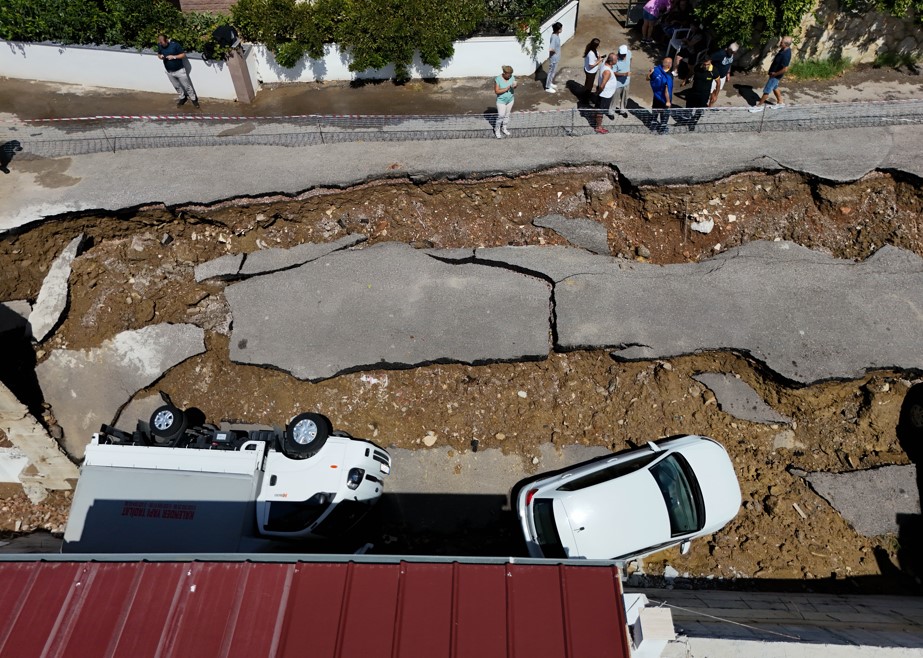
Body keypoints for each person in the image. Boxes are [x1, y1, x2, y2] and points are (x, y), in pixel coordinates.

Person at [750, 36, 793, 111]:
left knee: (767, 90)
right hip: (774, 74)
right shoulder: (784, 50)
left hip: (775, 76)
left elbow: (785, 69)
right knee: (774, 87)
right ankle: (780, 102)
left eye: (782, 42)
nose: (780, 42)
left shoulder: (786, 54)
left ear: (786, 44)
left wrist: (775, 74)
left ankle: (759, 106)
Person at [156, 34, 199, 108]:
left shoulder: (175, 45)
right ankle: (182, 97)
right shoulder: (160, 45)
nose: (161, 44)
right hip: (169, 71)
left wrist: (174, 57)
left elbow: (183, 55)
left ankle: (194, 99)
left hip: (179, 70)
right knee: (176, 86)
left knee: (187, 86)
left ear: (166, 40)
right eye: (160, 43)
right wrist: (160, 56)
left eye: (162, 43)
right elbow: (159, 54)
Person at [683, 59, 716, 130]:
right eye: (704, 64)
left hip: (704, 95)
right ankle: (687, 118)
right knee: (689, 106)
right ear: (702, 63)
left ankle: (693, 123)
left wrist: (715, 94)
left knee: (699, 110)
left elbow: (718, 83)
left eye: (708, 64)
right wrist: (685, 80)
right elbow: (691, 72)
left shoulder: (714, 71)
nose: (706, 66)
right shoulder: (697, 67)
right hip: (694, 92)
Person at [647, 57, 674, 133]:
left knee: (655, 112)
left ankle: (653, 126)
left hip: (656, 97)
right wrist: (668, 101)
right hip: (664, 99)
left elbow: (647, 78)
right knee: (664, 114)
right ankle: (662, 129)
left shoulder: (655, 70)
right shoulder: (669, 76)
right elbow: (666, 90)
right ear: (669, 65)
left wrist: (650, 73)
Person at [595, 54, 618, 134]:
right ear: (611, 62)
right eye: (616, 60)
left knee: (600, 110)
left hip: (606, 94)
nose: (617, 61)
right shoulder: (607, 72)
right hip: (604, 95)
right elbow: (602, 85)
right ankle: (598, 127)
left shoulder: (605, 62)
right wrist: (597, 93)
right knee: (600, 111)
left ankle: (597, 121)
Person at [494, 65, 517, 138]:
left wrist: (515, 86)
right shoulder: (498, 79)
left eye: (510, 74)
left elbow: (514, 86)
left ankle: (504, 128)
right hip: (501, 101)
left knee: (507, 115)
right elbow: (497, 91)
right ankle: (497, 129)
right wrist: (506, 89)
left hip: (510, 100)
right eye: (508, 74)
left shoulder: (512, 77)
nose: (510, 76)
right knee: (501, 115)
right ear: (504, 73)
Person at [611, 45, 632, 118]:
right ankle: (611, 112)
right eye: (621, 55)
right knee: (614, 99)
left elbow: (631, 59)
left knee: (625, 98)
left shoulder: (629, 53)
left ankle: (622, 110)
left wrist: (629, 69)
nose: (622, 56)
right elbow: (613, 73)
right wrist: (624, 74)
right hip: (618, 84)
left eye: (624, 55)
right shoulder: (615, 60)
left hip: (626, 82)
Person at [545, 22, 563, 93]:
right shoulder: (554, 37)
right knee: (551, 72)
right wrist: (555, 52)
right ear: (558, 30)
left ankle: (550, 83)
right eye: (561, 28)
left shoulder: (556, 35)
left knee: (553, 72)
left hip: (556, 58)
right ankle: (547, 87)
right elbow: (550, 48)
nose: (562, 29)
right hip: (554, 59)